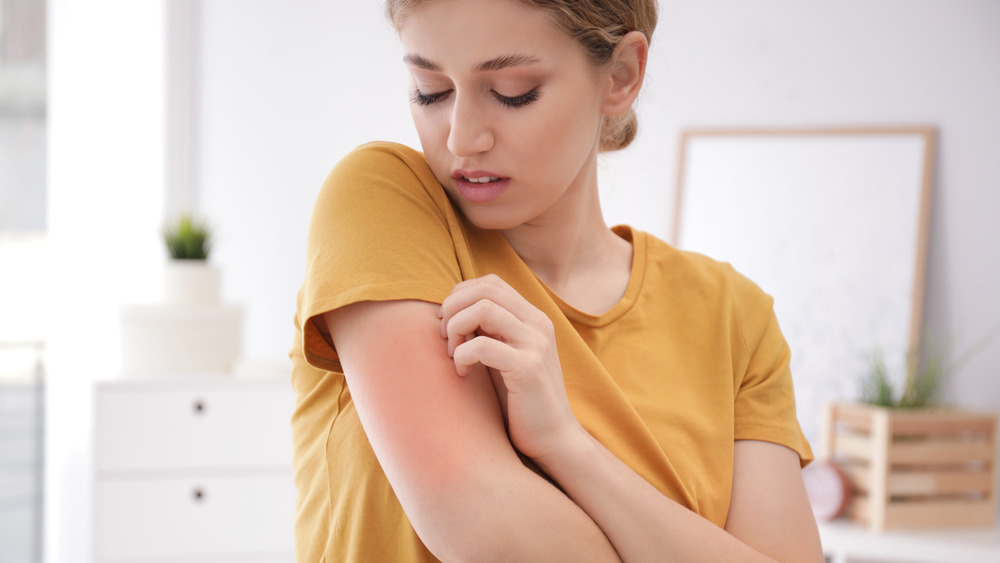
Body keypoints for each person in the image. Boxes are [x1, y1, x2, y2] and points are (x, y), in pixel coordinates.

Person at [289, 0, 824, 561]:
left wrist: (566, 446)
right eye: (431, 90)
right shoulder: (383, 203)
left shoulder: (733, 316)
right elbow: (483, 527)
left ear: (620, 75)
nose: (461, 138)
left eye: (513, 91)